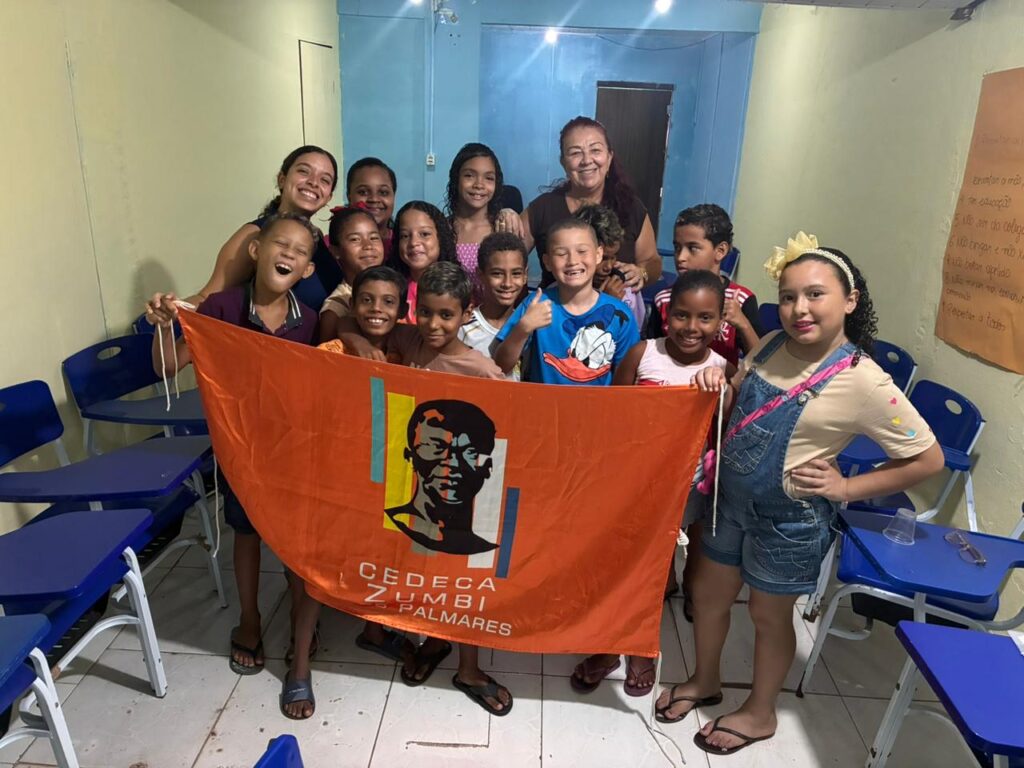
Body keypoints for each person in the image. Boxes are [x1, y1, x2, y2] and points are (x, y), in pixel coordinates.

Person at [657, 233, 944, 757]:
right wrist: (719, 382)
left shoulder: (865, 381)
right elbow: (739, 402)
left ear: (849, 300)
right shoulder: (769, 343)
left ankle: (760, 711)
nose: (799, 309)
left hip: (789, 520)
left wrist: (846, 487)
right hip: (728, 501)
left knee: (768, 616)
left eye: (815, 294)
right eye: (788, 296)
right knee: (708, 595)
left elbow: (928, 458)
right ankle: (705, 679)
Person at [144, 212, 326, 721]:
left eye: (299, 251)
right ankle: (249, 620)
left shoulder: (310, 320)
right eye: (279, 244)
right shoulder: (222, 308)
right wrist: (164, 327)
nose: (287, 254)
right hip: (242, 449)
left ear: (309, 269)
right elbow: (167, 365)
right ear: (256, 250)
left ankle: (301, 654)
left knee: (298, 548)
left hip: (296, 451)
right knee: (246, 534)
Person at [338, 261, 513, 716]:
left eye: (447, 315)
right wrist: (360, 343)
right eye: (427, 313)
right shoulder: (408, 339)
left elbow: (510, 421)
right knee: (415, 568)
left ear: (466, 313)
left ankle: (469, 668)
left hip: (462, 495)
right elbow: (344, 323)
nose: (434, 325)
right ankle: (428, 639)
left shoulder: (480, 368)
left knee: (462, 580)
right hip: (409, 483)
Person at [495, 116, 661, 293]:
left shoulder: (630, 207)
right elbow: (504, 258)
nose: (586, 160)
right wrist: (505, 215)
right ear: (563, 162)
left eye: (595, 150)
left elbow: (652, 261)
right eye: (575, 153)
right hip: (554, 309)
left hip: (617, 308)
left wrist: (642, 272)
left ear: (609, 157)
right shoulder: (543, 208)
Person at [189, 145, 341, 311]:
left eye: (325, 180)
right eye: (304, 171)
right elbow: (206, 299)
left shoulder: (317, 237)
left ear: (329, 197)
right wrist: (171, 311)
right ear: (282, 179)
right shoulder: (253, 234)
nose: (313, 182)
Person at [493, 218, 639, 386]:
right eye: (561, 254)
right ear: (547, 262)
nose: (572, 261)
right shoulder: (536, 304)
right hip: (543, 403)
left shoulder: (621, 316)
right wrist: (523, 328)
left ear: (598, 254)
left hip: (600, 404)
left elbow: (627, 381)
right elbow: (500, 366)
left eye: (582, 251)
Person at [648, 204, 762, 366]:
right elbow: (651, 353)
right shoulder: (663, 299)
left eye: (692, 248)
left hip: (722, 381)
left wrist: (743, 324)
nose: (680, 257)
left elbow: (760, 361)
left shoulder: (741, 300)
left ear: (720, 251)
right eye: (677, 247)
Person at [385, 399, 499, 556]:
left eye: (470, 452)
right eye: (436, 447)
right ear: (410, 457)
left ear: (488, 466)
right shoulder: (382, 524)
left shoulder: (489, 550)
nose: (452, 463)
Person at [458, 232, 529, 380]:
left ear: (525, 276)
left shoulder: (529, 327)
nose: (507, 283)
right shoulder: (463, 328)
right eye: (497, 274)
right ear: (480, 274)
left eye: (516, 273)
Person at [445, 142, 504, 304]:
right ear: (456, 179)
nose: (479, 185)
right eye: (469, 176)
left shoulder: (502, 228)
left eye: (488, 178)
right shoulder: (442, 228)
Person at [318, 204, 386, 342]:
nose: (368, 246)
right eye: (355, 239)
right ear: (335, 251)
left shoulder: (392, 287)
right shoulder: (335, 310)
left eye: (374, 238)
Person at [574, 203, 645, 330]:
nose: (608, 267)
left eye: (614, 257)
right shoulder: (562, 293)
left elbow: (633, 334)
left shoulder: (627, 292)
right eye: (602, 258)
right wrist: (606, 302)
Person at [387, 201, 457, 323]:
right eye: (405, 236)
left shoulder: (457, 287)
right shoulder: (390, 287)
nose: (413, 242)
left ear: (441, 238)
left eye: (424, 234)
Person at [346, 157, 398, 253]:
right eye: (363, 192)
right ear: (349, 196)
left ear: (393, 196)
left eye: (383, 192)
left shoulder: (405, 245)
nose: (374, 199)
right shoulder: (329, 246)